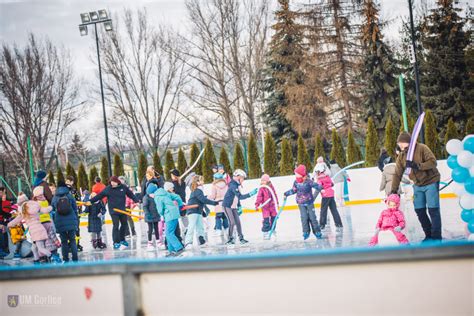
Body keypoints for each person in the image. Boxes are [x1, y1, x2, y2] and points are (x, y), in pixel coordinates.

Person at [391, 132, 442, 241]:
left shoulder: (422, 148)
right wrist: (393, 190)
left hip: (431, 181)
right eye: (399, 144)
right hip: (417, 184)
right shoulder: (401, 156)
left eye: (402, 143)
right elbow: (397, 173)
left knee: (433, 209)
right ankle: (428, 234)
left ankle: (436, 237)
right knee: (419, 210)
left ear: (409, 142)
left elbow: (433, 162)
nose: (400, 146)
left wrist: (417, 166)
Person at [88, 176, 139, 250]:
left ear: (117, 181)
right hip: (113, 211)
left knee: (124, 224)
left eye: (114, 182)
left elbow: (130, 194)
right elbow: (99, 196)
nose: (112, 183)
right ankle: (115, 242)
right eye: (111, 182)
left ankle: (122, 239)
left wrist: (136, 200)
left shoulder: (123, 187)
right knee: (116, 225)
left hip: (122, 209)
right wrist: (90, 201)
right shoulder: (108, 189)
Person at [9, 194, 52, 263]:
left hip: (35, 232)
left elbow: (17, 220)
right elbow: (45, 210)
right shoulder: (35, 205)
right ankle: (36, 260)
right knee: (33, 248)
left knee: (40, 248)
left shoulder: (23, 210)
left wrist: (9, 224)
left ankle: (51, 256)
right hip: (40, 228)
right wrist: (50, 207)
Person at [284, 165, 323, 240]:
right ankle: (306, 232)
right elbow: (294, 190)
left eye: (297, 174)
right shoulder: (296, 182)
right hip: (301, 204)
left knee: (312, 218)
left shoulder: (308, 181)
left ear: (302, 174)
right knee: (304, 218)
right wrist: (286, 194)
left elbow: (316, 186)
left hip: (309, 203)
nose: (296, 175)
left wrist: (322, 188)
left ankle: (317, 231)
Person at [222, 169, 258, 245]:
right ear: (238, 177)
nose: (243, 180)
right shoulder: (233, 185)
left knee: (238, 222)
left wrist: (239, 206)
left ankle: (241, 238)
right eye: (242, 178)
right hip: (227, 206)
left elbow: (237, 198)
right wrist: (250, 194)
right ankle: (230, 239)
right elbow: (240, 196)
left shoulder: (237, 185)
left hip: (233, 206)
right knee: (232, 222)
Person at [150, 183, 185, 257]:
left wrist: (162, 213)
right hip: (174, 214)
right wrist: (180, 204)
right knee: (169, 233)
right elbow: (177, 196)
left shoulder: (157, 197)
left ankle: (179, 248)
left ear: (152, 193)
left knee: (169, 233)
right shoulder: (165, 192)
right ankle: (171, 251)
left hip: (169, 215)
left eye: (150, 194)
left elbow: (159, 209)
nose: (150, 196)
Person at [185, 175, 219, 247]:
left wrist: (203, 211)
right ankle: (188, 242)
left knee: (200, 227)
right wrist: (214, 203)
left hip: (198, 211)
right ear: (197, 182)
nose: (203, 181)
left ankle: (202, 241)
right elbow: (203, 200)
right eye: (201, 180)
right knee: (191, 226)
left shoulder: (199, 190)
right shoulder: (197, 190)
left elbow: (201, 200)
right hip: (192, 211)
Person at [51, 181, 79, 262]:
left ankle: (65, 259)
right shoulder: (69, 195)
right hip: (71, 220)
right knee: (73, 240)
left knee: (64, 241)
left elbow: (53, 209)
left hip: (60, 221)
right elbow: (75, 208)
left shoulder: (55, 197)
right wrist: (76, 219)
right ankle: (75, 258)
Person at [33, 186, 61, 263]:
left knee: (43, 241)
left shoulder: (36, 204)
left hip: (41, 223)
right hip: (48, 221)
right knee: (51, 237)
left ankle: (45, 257)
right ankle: (55, 251)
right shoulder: (45, 201)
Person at [314, 163, 344, 231]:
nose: (316, 173)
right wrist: (328, 184)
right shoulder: (327, 177)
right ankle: (338, 223)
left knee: (323, 211)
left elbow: (318, 189)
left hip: (325, 196)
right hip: (331, 195)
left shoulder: (319, 180)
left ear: (319, 171)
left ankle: (322, 225)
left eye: (317, 172)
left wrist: (312, 199)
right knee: (334, 210)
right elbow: (332, 184)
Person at [255, 174, 279, 240]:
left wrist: (277, 203)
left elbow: (274, 195)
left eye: (264, 180)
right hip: (265, 207)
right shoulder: (261, 188)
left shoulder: (271, 186)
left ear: (267, 181)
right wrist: (257, 204)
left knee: (274, 219)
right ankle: (265, 232)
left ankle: (273, 229)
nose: (262, 182)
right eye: (261, 180)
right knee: (266, 220)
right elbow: (259, 197)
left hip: (272, 206)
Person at [208, 172, 229, 237]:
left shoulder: (214, 186)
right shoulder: (226, 185)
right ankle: (227, 229)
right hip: (225, 203)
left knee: (218, 217)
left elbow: (213, 196)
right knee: (225, 217)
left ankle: (218, 230)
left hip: (218, 204)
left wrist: (208, 197)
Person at [65, 176, 82, 252]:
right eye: (67, 181)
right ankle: (69, 245)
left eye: (69, 182)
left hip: (75, 213)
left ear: (72, 182)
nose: (67, 183)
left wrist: (79, 212)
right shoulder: (64, 191)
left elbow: (79, 201)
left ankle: (76, 244)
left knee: (76, 229)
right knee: (69, 229)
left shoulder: (74, 190)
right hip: (67, 214)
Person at [143, 183, 162, 251]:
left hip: (156, 215)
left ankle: (158, 241)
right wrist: (147, 214)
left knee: (156, 229)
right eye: (152, 193)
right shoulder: (146, 198)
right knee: (150, 230)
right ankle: (149, 242)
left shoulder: (156, 197)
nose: (153, 194)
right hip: (149, 216)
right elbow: (145, 207)